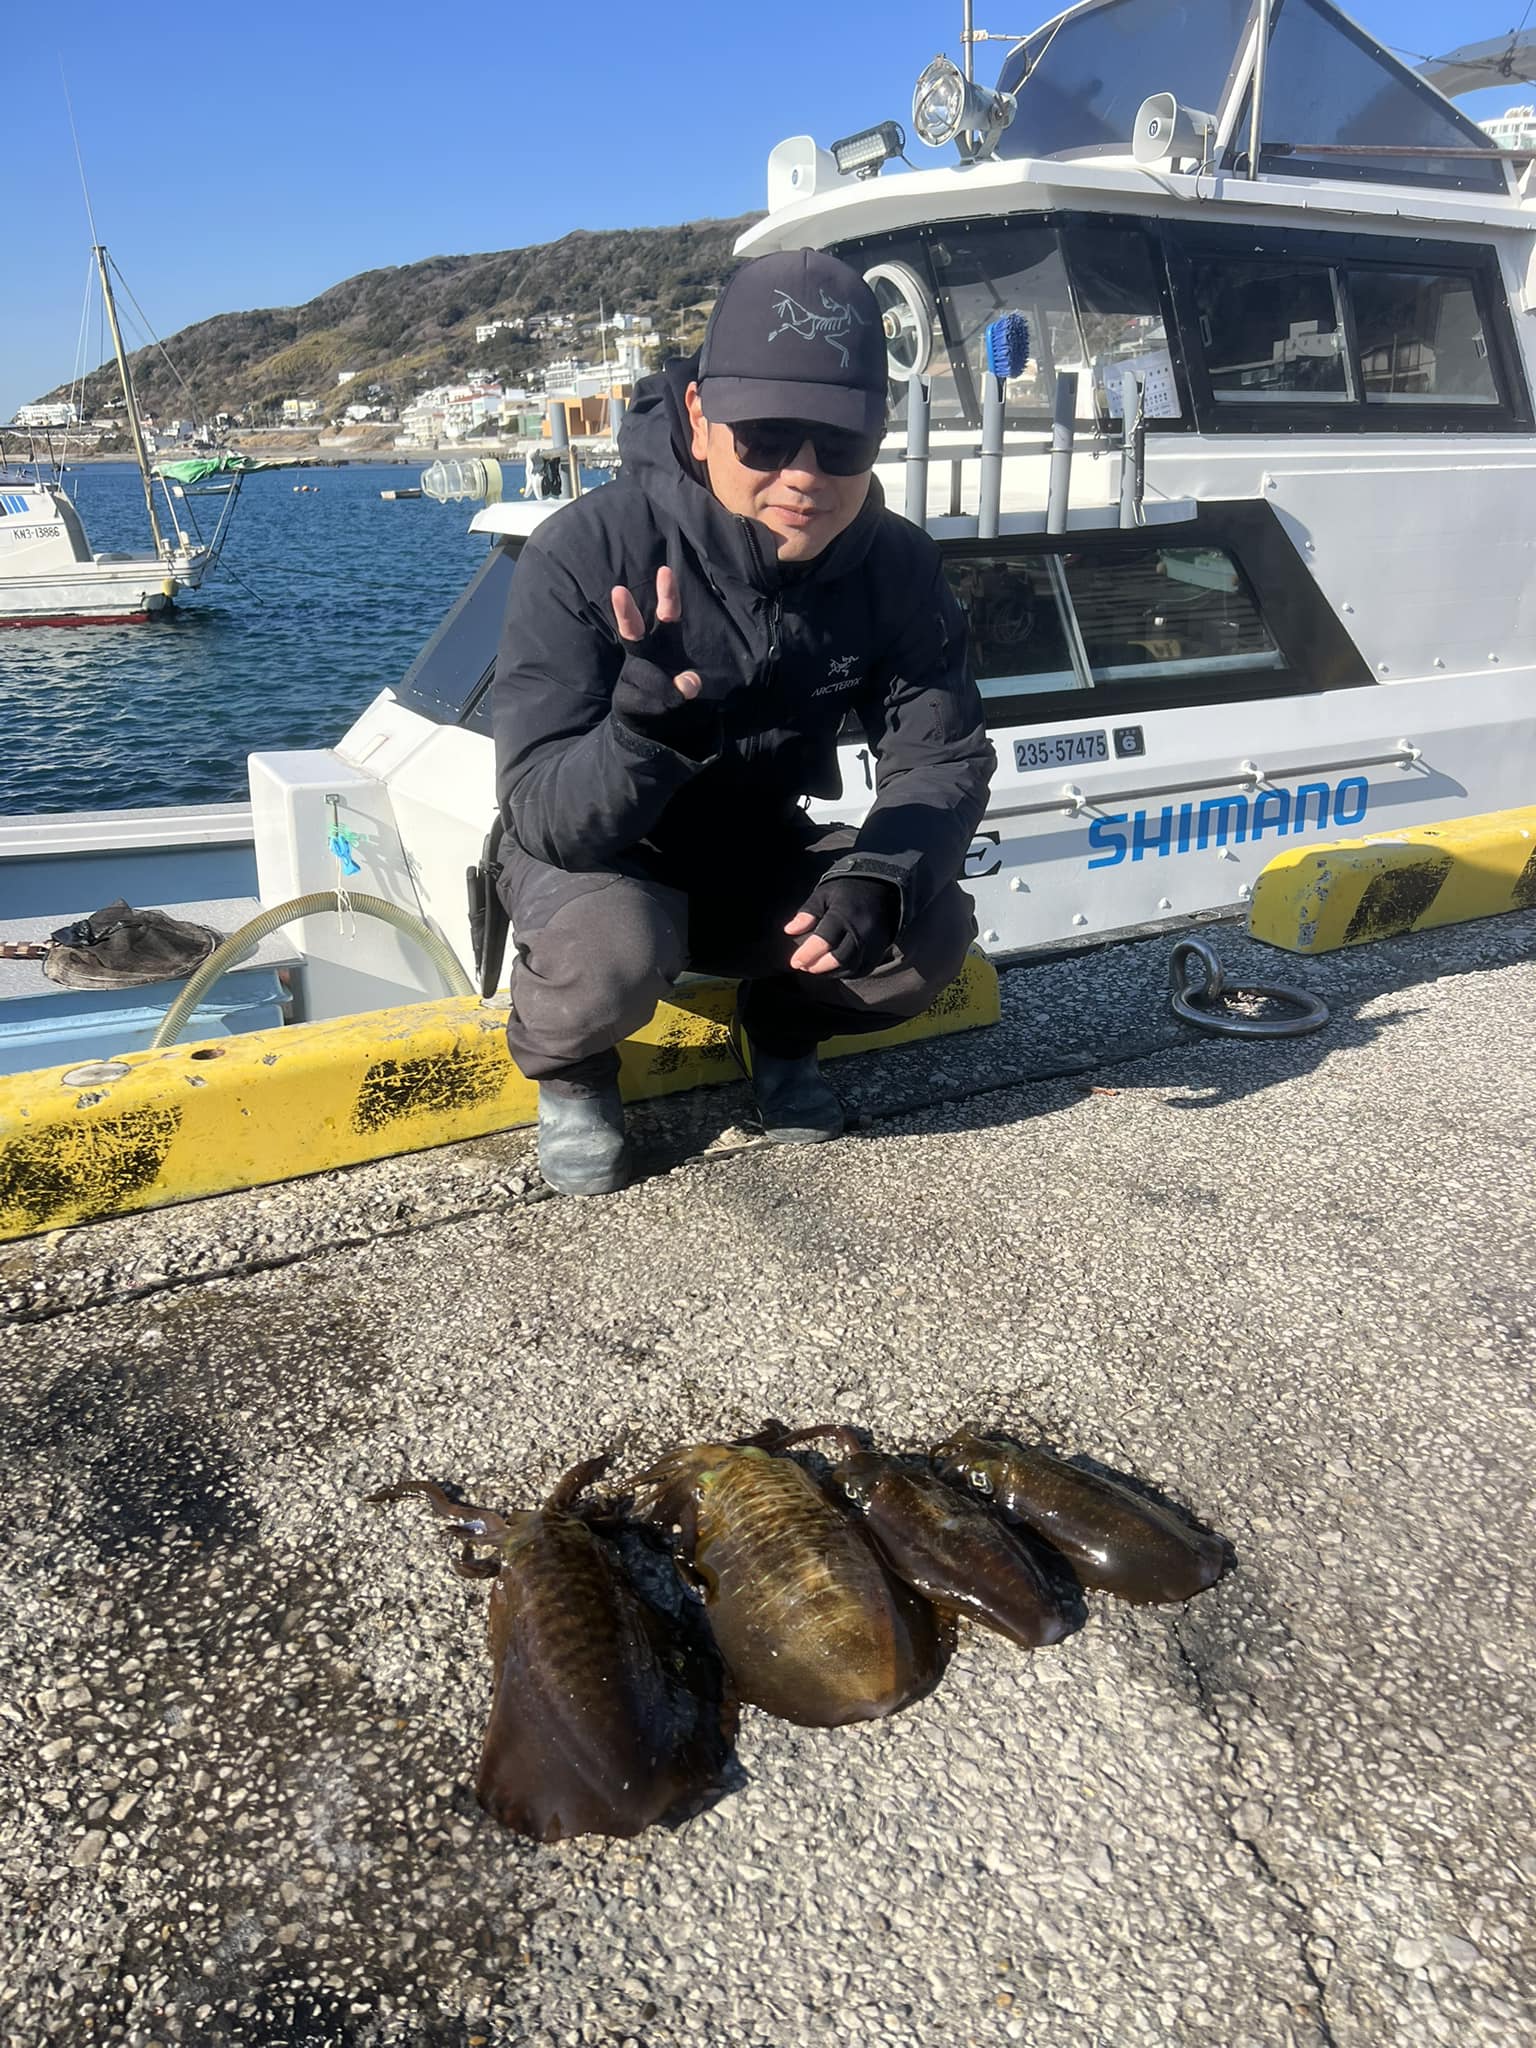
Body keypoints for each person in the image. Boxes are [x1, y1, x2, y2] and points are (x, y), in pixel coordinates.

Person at [491, 248, 995, 1196]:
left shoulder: (898, 565)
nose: (805, 476)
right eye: (765, 438)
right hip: (605, 853)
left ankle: (782, 1028)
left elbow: (941, 755)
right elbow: (540, 815)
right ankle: (574, 1071)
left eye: (840, 443)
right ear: (698, 416)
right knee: (611, 950)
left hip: (755, 842)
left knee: (927, 932)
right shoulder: (584, 550)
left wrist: (878, 874)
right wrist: (643, 732)